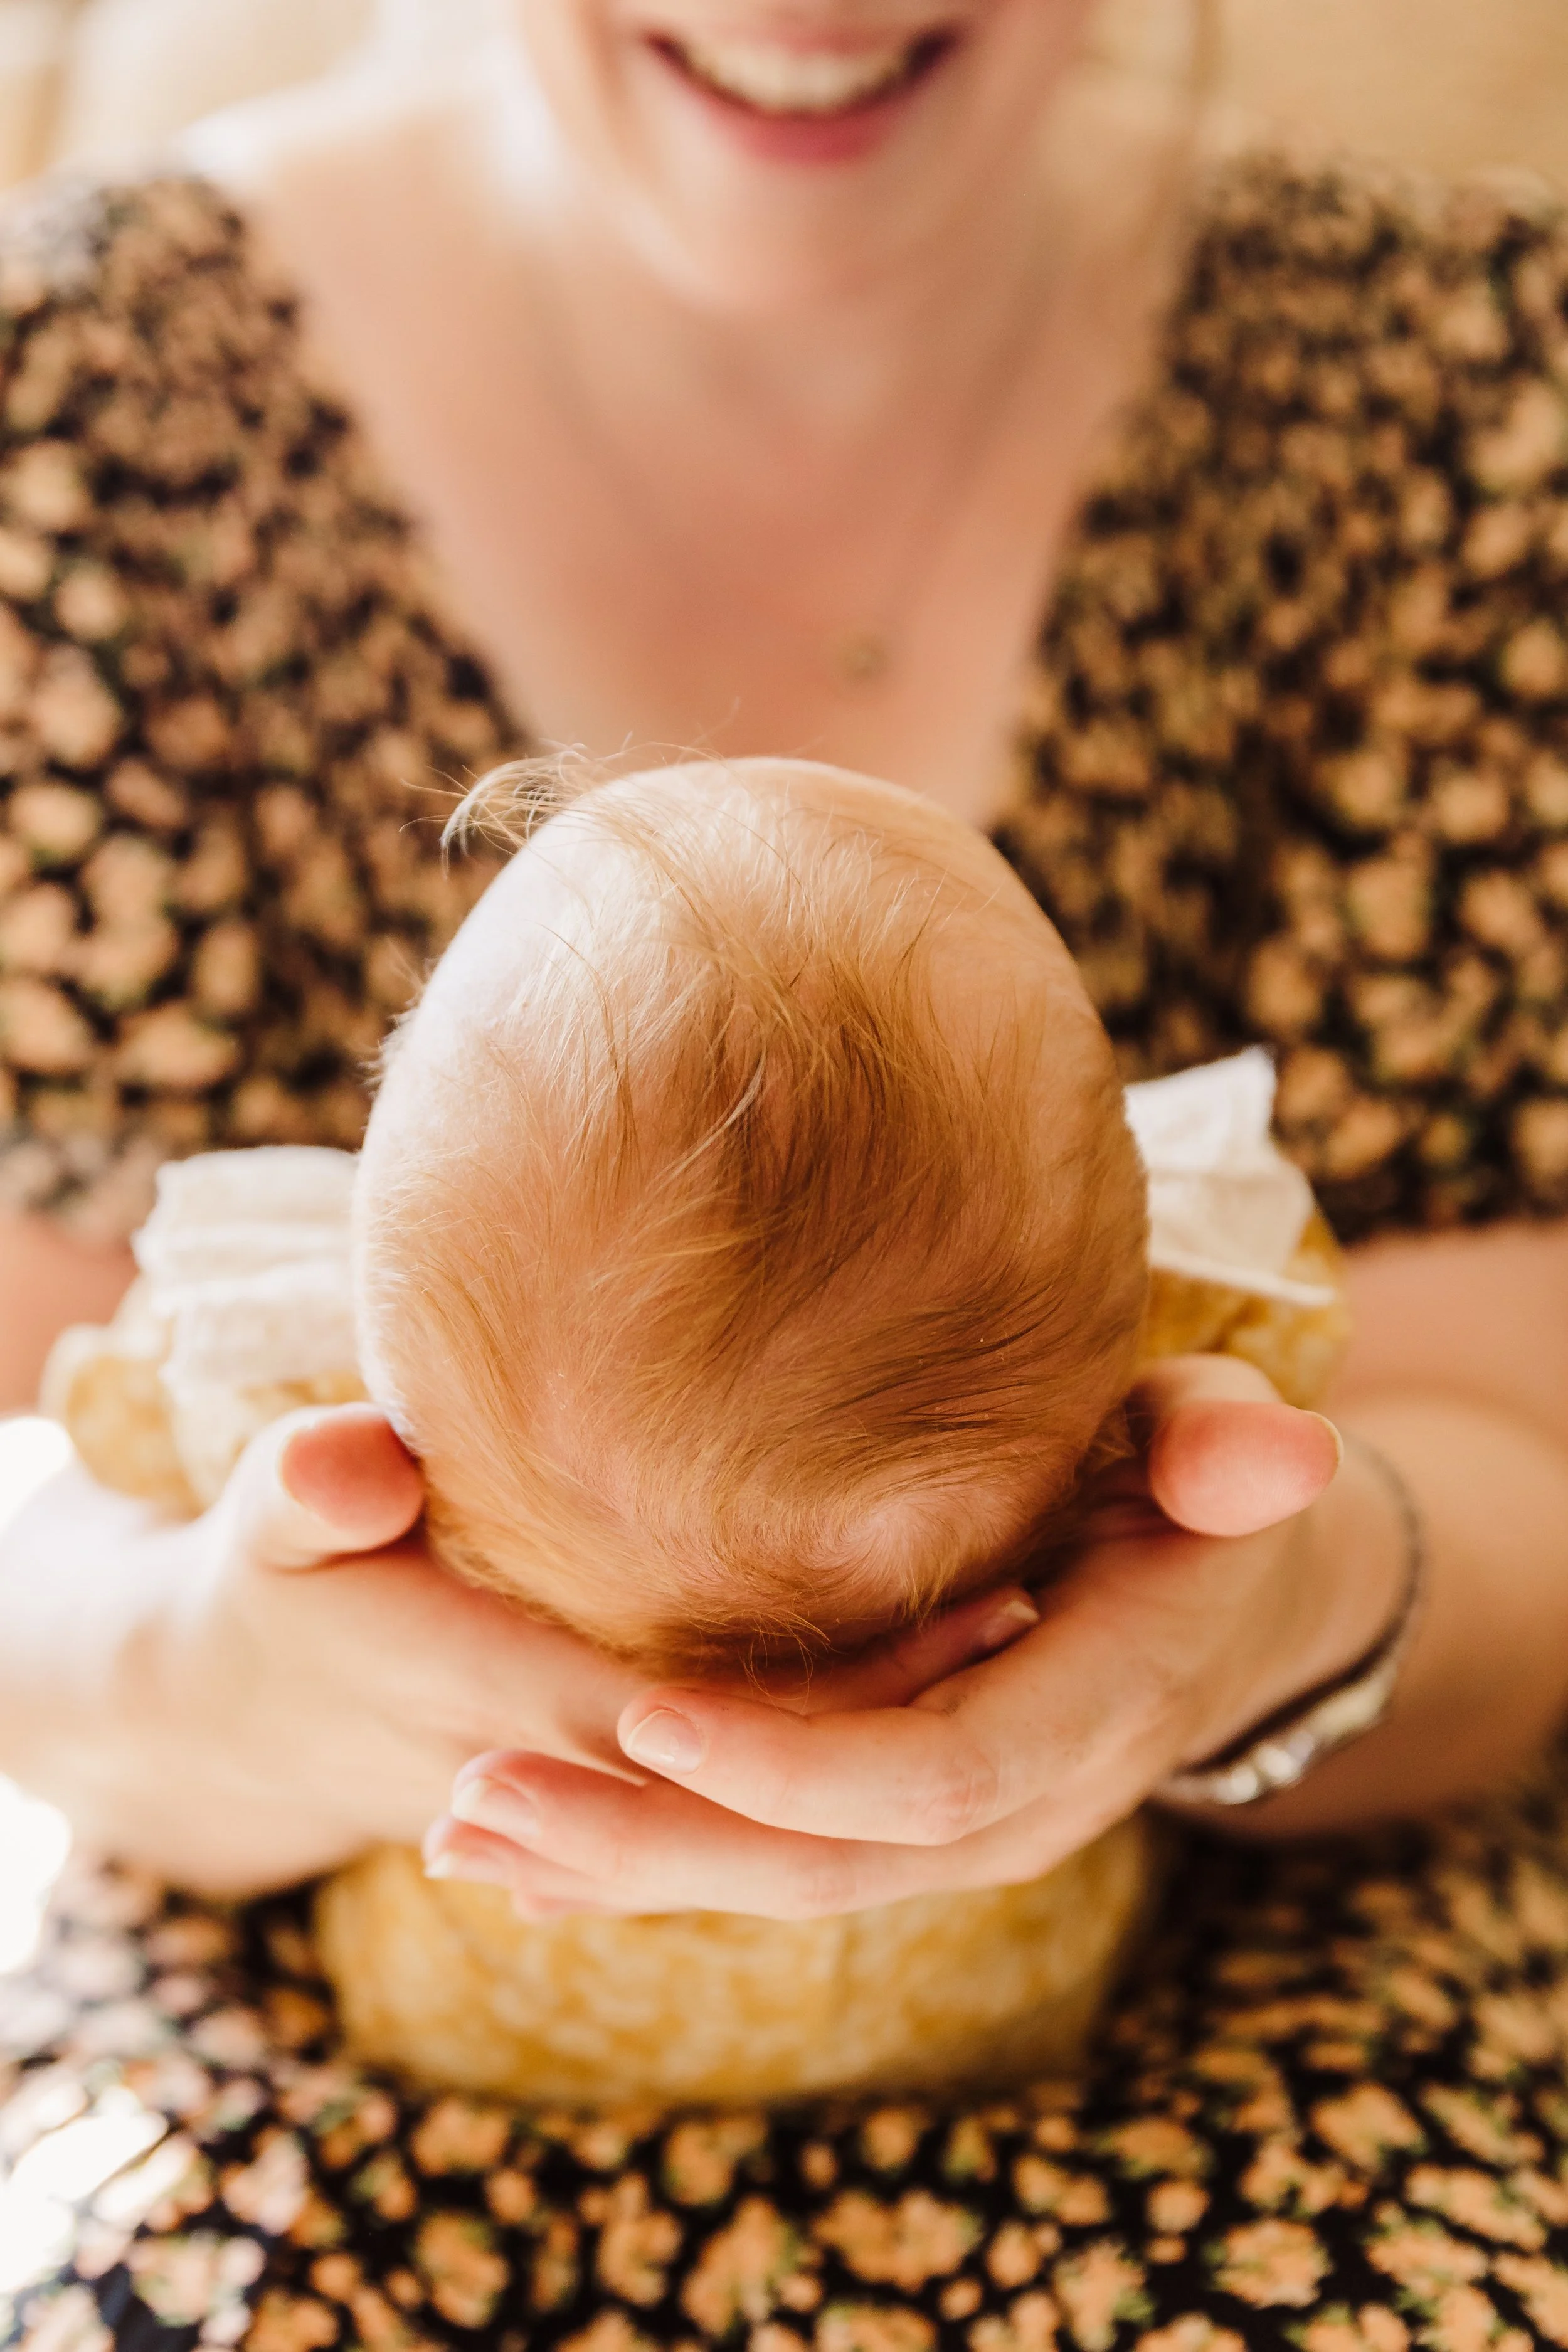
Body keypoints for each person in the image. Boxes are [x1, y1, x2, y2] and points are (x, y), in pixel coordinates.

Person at [1, 3, 1568, 2342]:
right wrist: (225, 1662)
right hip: (306, 2030)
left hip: (1272, 1988)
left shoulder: (1471, 393)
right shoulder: (74, 414)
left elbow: (1523, 1490)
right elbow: (40, 1499)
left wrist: (1289, 1606)